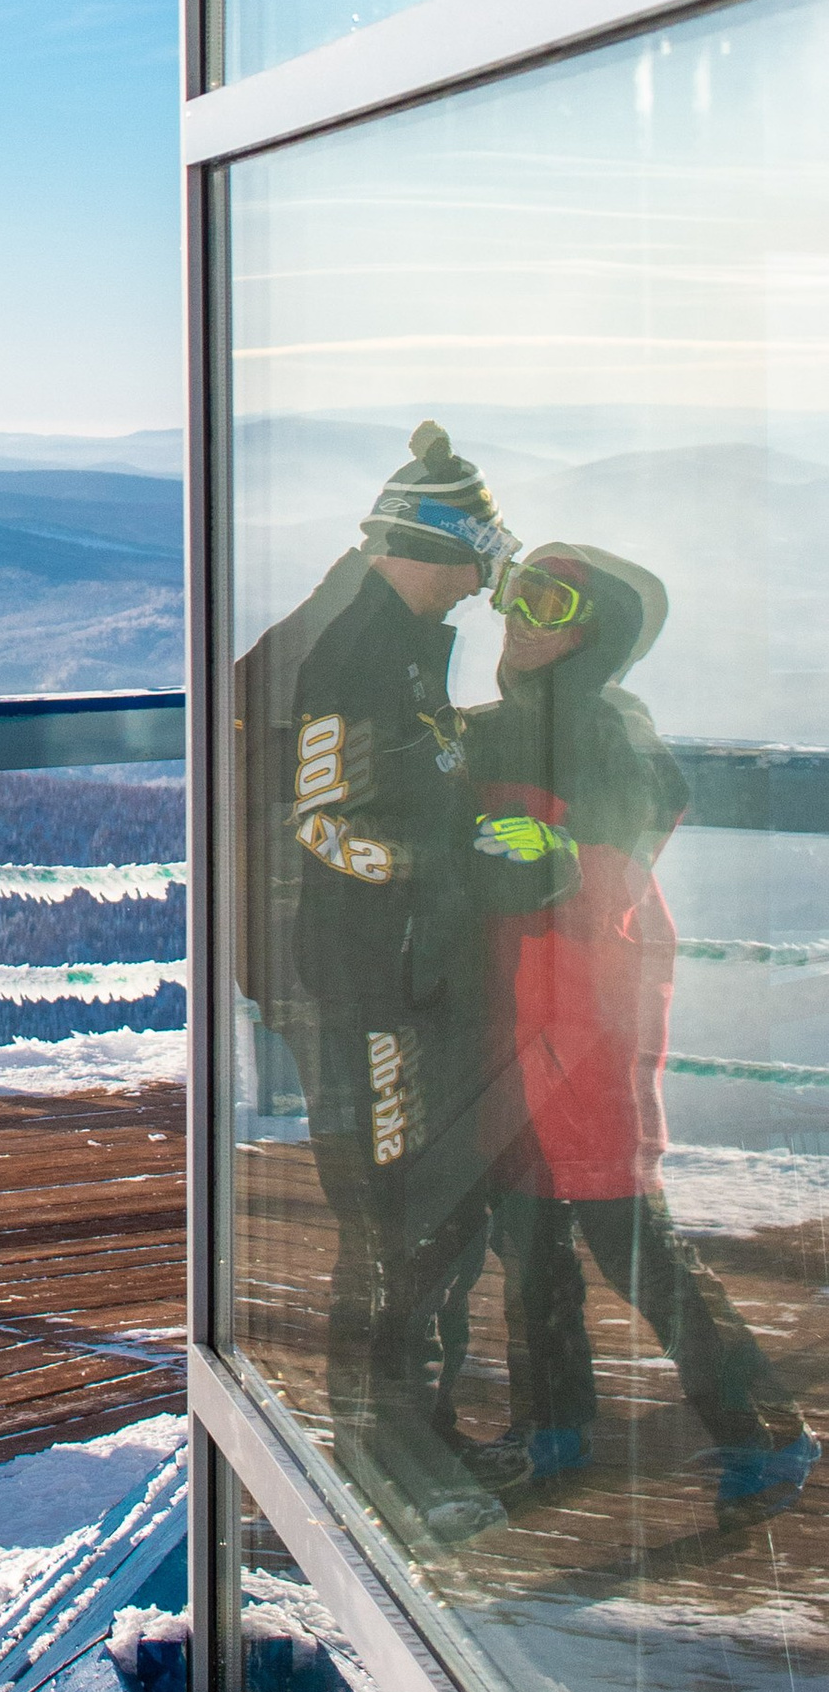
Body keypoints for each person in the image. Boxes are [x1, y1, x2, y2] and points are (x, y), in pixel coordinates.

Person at [468, 543, 816, 1519]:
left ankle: (767, 1433)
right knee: (526, 1234)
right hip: (510, 1011)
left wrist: (568, 858)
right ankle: (552, 1430)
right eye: (513, 591)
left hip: (585, 1016)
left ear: (595, 632)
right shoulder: (500, 728)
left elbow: (634, 836)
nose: (521, 613)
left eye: (550, 598)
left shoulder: (608, 724)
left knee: (626, 1234)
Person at [235, 420, 536, 1547]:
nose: (481, 589)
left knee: (430, 1216)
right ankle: (380, 1456)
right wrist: (467, 856)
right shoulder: (353, 649)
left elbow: (389, 787)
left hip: (396, 973)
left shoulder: (392, 635)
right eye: (479, 561)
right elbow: (326, 830)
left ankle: (416, 1433)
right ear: (442, 544)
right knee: (394, 1220)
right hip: (360, 985)